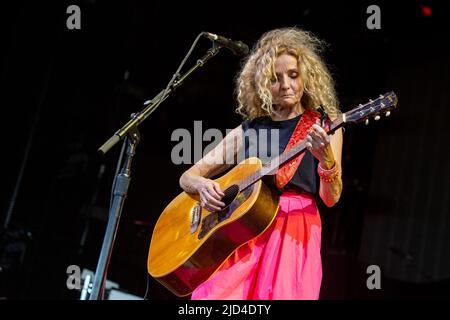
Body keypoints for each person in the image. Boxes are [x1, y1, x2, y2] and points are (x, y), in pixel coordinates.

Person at [179, 27, 343, 300]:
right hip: (243, 231)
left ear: (306, 77)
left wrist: (325, 158)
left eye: (293, 75)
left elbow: (331, 198)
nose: (286, 85)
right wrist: (203, 185)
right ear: (263, 85)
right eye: (275, 79)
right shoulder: (249, 130)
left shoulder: (325, 126)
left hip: (293, 229)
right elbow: (188, 176)